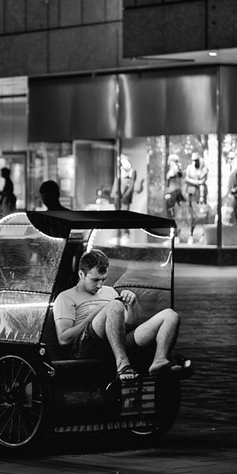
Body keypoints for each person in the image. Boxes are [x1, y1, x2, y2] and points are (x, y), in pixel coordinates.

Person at [53, 249, 183, 381]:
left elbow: (130, 325)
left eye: (103, 279)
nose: (100, 285)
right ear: (81, 274)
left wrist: (132, 305)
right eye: (95, 280)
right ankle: (122, 364)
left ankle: (159, 361)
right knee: (115, 305)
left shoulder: (110, 291)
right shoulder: (66, 297)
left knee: (170, 315)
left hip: (116, 340)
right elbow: (64, 339)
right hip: (87, 345)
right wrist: (95, 313)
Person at [184, 151, 209, 243]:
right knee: (191, 215)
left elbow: (203, 181)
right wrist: (195, 182)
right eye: (193, 160)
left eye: (196, 160)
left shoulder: (203, 168)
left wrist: (200, 185)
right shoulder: (189, 168)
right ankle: (191, 234)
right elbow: (186, 178)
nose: (195, 162)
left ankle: (204, 235)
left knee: (203, 214)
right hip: (192, 192)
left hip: (201, 193)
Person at [164, 154, 184, 220]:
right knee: (171, 211)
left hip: (172, 193)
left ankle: (173, 226)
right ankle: (173, 226)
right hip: (175, 192)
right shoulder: (176, 171)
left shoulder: (174, 171)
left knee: (171, 210)